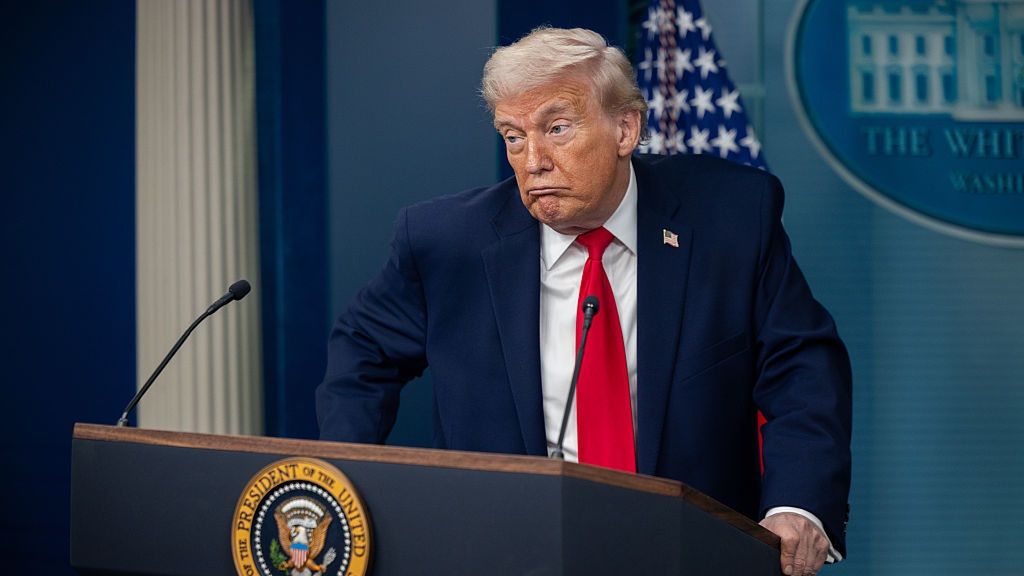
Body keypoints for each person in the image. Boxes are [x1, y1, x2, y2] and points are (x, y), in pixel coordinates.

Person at [317, 27, 851, 576]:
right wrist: (344, 488)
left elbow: (801, 365)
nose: (533, 161)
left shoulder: (730, 215)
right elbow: (363, 353)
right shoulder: (445, 241)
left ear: (625, 128)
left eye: (557, 128)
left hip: (693, 551)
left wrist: (797, 505)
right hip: (505, 554)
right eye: (513, 136)